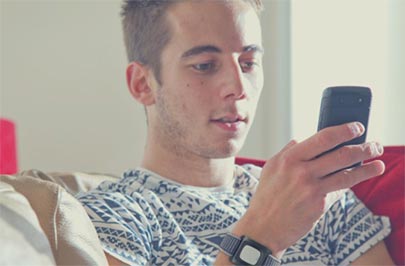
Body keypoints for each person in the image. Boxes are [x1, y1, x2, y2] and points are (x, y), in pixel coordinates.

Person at [77, 0, 394, 265]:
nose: (239, 88)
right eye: (205, 65)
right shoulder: (108, 219)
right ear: (142, 84)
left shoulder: (318, 198)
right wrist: (261, 238)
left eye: (249, 62)